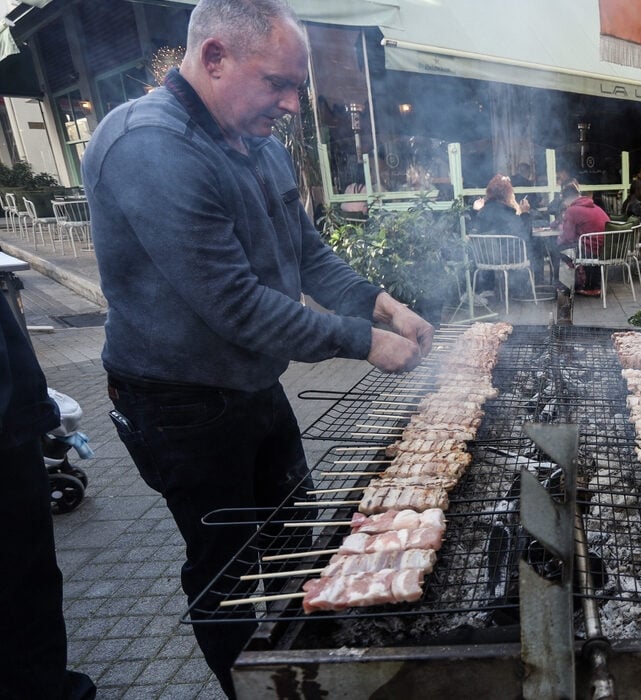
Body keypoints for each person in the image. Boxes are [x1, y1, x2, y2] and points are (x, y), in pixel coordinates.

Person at [81, 1, 435, 695]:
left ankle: (298, 663)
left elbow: (304, 254)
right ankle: (251, 685)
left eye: (296, 86)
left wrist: (380, 303)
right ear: (214, 57)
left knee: (294, 530)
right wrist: (364, 342)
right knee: (227, 566)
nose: (291, 104)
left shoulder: (260, 145)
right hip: (178, 400)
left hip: (251, 386)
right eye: (277, 82)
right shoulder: (150, 146)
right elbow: (235, 304)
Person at [1, 299, 97, 700]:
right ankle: (41, 687)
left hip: (14, 425)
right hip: (8, 438)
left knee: (27, 582)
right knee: (23, 583)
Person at [470, 173, 537, 289]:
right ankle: (524, 288)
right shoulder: (506, 213)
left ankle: (491, 289)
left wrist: (475, 211)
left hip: (484, 260)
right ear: (507, 194)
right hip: (506, 258)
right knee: (536, 247)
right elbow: (524, 236)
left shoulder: (483, 212)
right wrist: (525, 213)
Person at [556, 180, 609, 296]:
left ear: (567, 199)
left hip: (591, 249)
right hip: (605, 248)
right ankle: (589, 284)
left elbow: (568, 237)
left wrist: (558, 240)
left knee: (557, 249)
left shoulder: (572, 210)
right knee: (568, 247)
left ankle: (564, 287)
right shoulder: (595, 207)